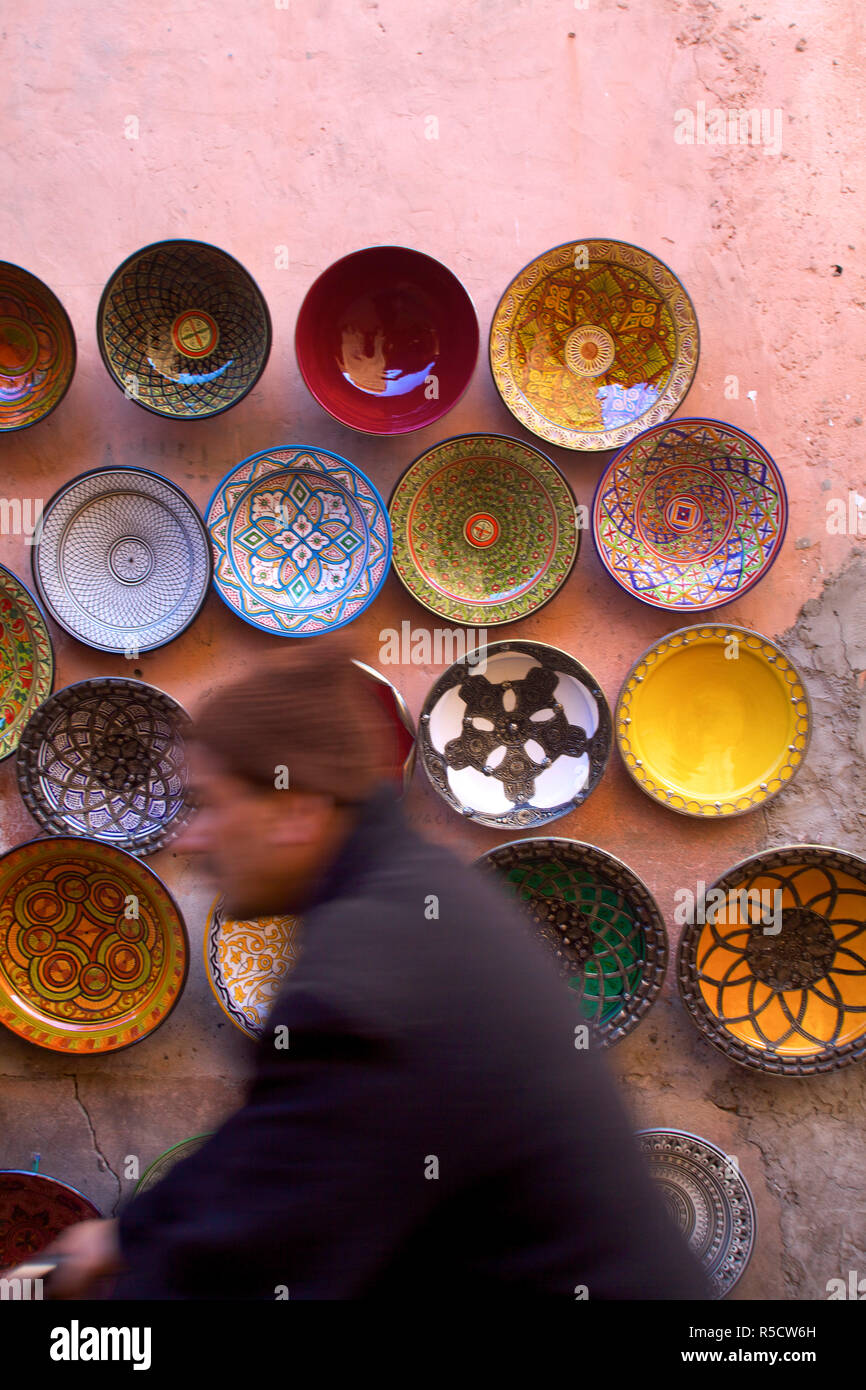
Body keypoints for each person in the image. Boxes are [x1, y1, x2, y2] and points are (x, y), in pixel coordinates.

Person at [47, 634, 710, 1300]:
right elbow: (272, 1151)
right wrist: (132, 1234)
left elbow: (257, 1256)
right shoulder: (416, 897)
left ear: (294, 811)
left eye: (211, 806)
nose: (190, 839)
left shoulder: (367, 977)